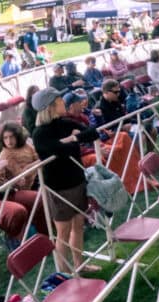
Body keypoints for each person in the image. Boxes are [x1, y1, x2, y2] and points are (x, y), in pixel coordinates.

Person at [31, 87, 102, 273]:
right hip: (59, 187)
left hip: (77, 180)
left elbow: (93, 133)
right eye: (60, 101)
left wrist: (72, 138)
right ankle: (65, 274)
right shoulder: (39, 133)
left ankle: (79, 265)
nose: (64, 103)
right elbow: (62, 151)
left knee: (78, 225)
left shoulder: (64, 123)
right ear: (51, 106)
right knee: (63, 232)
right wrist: (72, 140)